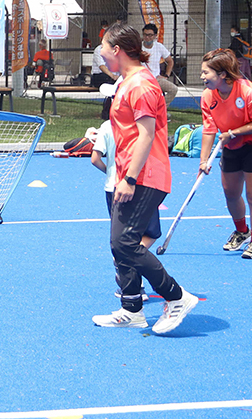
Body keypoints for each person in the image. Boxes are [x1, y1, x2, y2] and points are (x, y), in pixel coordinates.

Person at [92, 23, 197, 334]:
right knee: (119, 244)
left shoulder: (142, 85)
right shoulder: (126, 82)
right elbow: (127, 131)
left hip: (145, 176)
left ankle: (176, 296)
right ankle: (132, 308)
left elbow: (147, 134)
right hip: (129, 172)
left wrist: (131, 178)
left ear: (118, 50)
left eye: (104, 48)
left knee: (124, 242)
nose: (102, 54)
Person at [199, 48, 252, 260]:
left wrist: (232, 133)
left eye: (206, 72)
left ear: (222, 74)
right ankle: (242, 231)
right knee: (230, 193)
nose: (202, 77)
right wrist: (203, 161)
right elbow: (208, 129)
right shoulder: (207, 96)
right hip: (231, 146)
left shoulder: (250, 93)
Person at [90, 85, 159, 303]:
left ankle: (129, 278)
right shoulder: (140, 128)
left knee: (126, 237)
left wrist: (109, 172)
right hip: (137, 186)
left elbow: (95, 158)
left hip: (112, 188)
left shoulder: (107, 126)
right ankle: (125, 267)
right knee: (146, 235)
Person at [141, 23, 178, 109]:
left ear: (155, 36)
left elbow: (170, 61)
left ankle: (160, 109)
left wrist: (166, 75)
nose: (147, 37)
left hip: (156, 78)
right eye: (145, 35)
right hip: (141, 79)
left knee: (173, 89)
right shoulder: (138, 46)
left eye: (150, 35)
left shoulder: (159, 46)